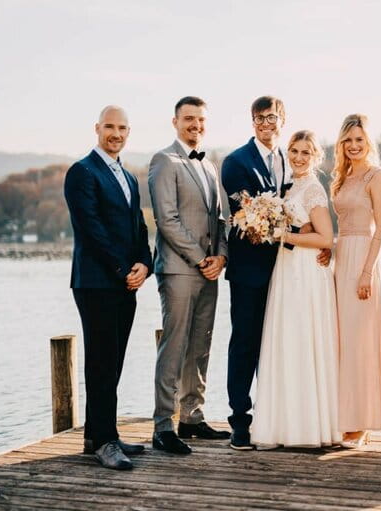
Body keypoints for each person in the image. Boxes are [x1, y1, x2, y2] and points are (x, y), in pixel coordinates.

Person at [221, 96, 330, 450]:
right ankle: (240, 420)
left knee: (283, 344)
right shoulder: (236, 162)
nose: (266, 124)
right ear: (252, 122)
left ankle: (282, 416)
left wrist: (318, 242)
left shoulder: (290, 160)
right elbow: (247, 213)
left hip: (290, 271)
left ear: (282, 120)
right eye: (259, 118)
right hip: (250, 270)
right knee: (246, 343)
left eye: (272, 117)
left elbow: (306, 214)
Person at [63, 105, 153, 470]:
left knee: (113, 361)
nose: (116, 133)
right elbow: (91, 229)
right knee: (101, 362)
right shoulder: (82, 172)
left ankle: (101, 434)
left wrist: (145, 265)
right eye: (110, 127)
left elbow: (139, 228)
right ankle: (103, 442)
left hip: (125, 284)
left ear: (129, 132)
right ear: (97, 128)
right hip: (97, 283)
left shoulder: (129, 178)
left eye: (123, 128)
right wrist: (121, 270)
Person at [148, 96, 230, 456]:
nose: (196, 125)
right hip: (180, 269)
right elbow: (166, 220)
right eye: (189, 119)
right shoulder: (164, 161)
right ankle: (163, 425)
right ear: (175, 121)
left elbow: (220, 219)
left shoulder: (210, 166)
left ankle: (192, 417)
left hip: (210, 269)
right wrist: (200, 259)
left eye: (201, 120)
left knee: (201, 345)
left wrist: (222, 257)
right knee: (175, 345)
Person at [252, 131, 340, 449]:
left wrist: (283, 235)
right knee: (287, 340)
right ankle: (286, 424)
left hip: (306, 273)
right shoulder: (291, 187)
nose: (299, 157)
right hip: (287, 271)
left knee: (305, 340)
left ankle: (310, 427)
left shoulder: (314, 190)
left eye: (306, 152)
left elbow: (325, 238)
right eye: (294, 151)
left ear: (316, 156)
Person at [331, 114, 381, 448]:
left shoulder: (376, 176)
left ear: (368, 142)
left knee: (361, 341)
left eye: (360, 140)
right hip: (342, 258)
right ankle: (345, 416)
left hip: (365, 261)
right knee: (342, 341)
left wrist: (367, 270)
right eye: (348, 140)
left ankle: (363, 421)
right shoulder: (341, 177)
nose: (354, 146)